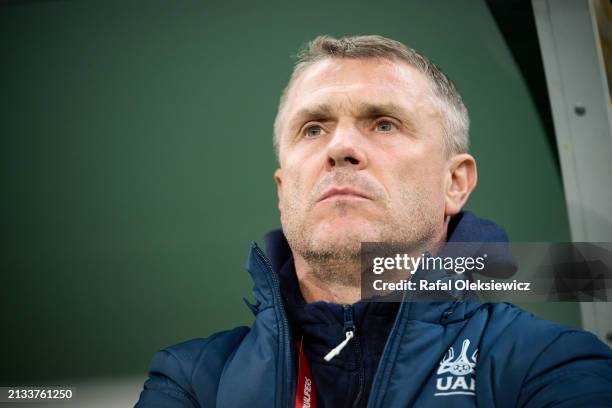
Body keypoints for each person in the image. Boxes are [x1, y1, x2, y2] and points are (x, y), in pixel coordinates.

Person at [135, 35, 612, 407]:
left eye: (383, 123)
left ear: (455, 183)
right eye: (313, 128)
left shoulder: (550, 365)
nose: (340, 148)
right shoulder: (194, 381)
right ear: (283, 190)